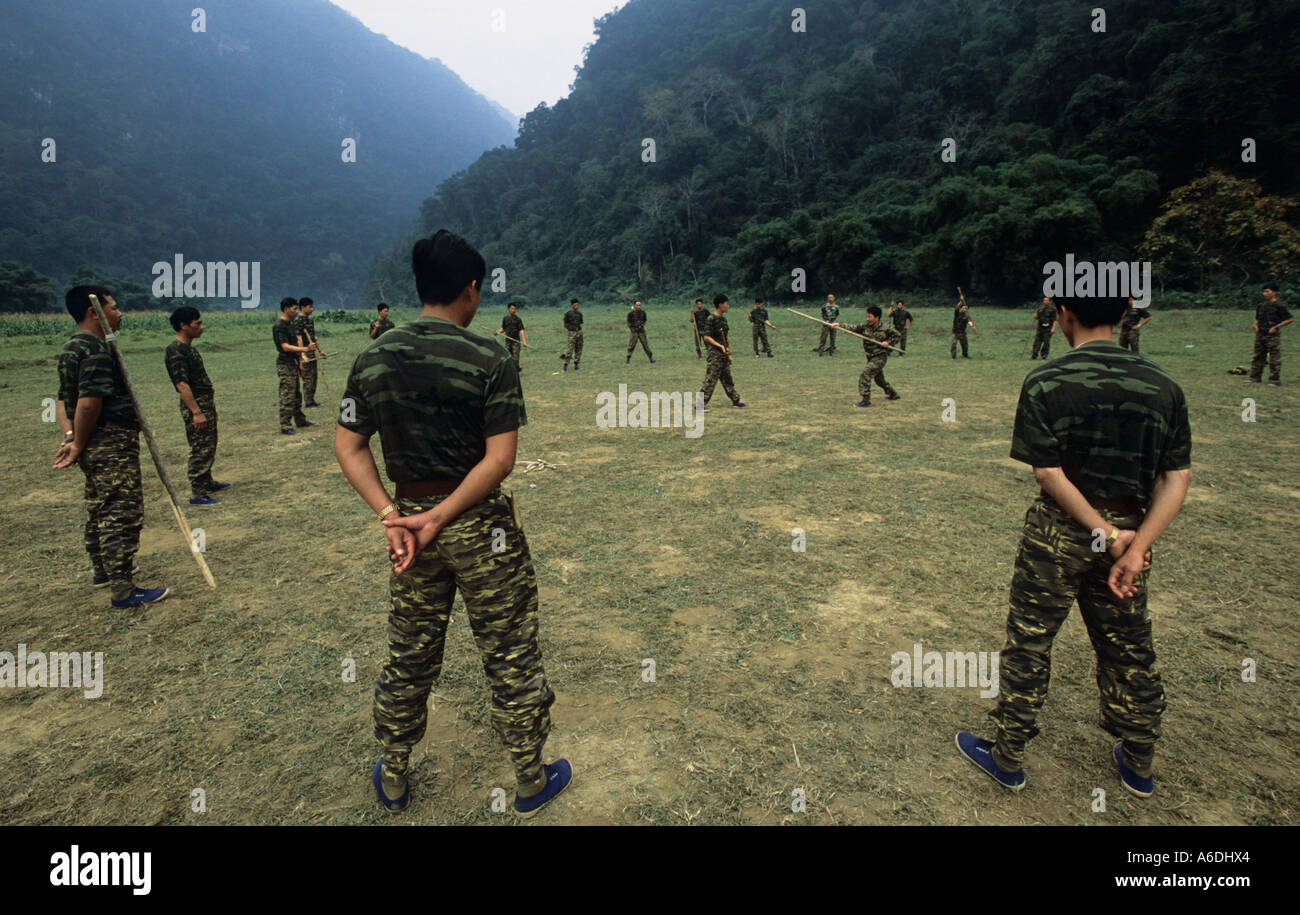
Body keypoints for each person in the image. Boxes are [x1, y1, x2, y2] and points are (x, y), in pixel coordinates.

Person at [335, 228, 569, 817]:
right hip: (478, 525)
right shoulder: (489, 357)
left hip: (412, 528)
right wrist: (444, 512)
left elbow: (350, 446)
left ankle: (392, 772)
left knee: (411, 649)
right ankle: (530, 779)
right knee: (509, 647)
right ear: (469, 289)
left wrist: (393, 515)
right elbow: (500, 459)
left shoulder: (375, 355)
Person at [956, 294, 1192, 799]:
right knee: (1128, 648)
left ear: (1064, 314)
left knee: (1030, 643)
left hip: (1058, 535)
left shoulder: (1047, 380)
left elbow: (1047, 472)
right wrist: (1131, 546)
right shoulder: (1164, 386)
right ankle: (1139, 761)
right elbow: (1177, 478)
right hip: (1132, 537)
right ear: (1124, 315)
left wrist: (1098, 531)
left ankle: (1008, 756)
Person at [53, 286, 169, 608]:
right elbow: (88, 405)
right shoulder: (94, 349)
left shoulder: (71, 347)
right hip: (110, 441)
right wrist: (77, 443)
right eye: (114, 308)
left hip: (93, 441)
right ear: (95, 312)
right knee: (121, 510)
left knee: (99, 505)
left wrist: (73, 438)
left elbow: (64, 402)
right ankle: (123, 588)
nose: (120, 314)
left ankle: (103, 570)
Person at [165, 306, 228, 505]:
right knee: (200, 445)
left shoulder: (188, 348)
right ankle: (198, 492)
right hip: (196, 403)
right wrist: (196, 411)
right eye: (197, 323)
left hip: (204, 401)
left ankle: (207, 480)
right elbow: (181, 384)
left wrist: (210, 409)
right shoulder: (175, 350)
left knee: (209, 443)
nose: (201, 327)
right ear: (183, 326)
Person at [836, 306, 901, 406]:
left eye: (870, 317)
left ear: (877, 317)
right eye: (867, 316)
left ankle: (865, 401)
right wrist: (838, 325)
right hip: (870, 357)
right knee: (879, 380)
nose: (867, 319)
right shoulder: (865, 327)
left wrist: (888, 343)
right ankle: (893, 394)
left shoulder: (886, 328)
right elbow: (852, 327)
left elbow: (898, 336)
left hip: (880, 357)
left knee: (865, 374)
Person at [274, 297, 316, 435]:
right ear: (286, 309)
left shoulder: (291, 324)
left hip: (293, 363)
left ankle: (300, 420)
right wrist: (305, 350)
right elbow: (285, 347)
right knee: (287, 394)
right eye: (294, 309)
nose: (296, 311)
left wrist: (300, 364)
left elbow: (295, 343)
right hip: (285, 364)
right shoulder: (279, 326)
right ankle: (285, 426)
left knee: (297, 394)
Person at [700, 294, 746, 408]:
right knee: (711, 379)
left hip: (724, 353)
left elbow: (726, 335)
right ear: (720, 305)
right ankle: (700, 404)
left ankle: (735, 400)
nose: (728, 306)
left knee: (727, 378)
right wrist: (720, 346)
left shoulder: (723, 319)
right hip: (715, 353)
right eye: (726, 303)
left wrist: (727, 349)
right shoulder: (711, 319)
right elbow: (706, 337)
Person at [1249, 283, 1293, 385]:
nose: (1265, 294)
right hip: (1260, 334)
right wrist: (1255, 325)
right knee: (1258, 356)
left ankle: (1274, 379)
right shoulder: (1261, 305)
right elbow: (1257, 318)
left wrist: (1276, 327)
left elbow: (1290, 319)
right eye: (1264, 291)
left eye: (1267, 291)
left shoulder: (1279, 306)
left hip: (1272, 335)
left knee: (1274, 357)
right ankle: (1255, 377)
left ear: (1275, 292)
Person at [294, 296, 322, 407]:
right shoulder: (298, 321)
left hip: (312, 350)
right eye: (310, 307)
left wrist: (320, 351)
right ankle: (308, 402)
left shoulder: (310, 321)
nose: (312, 309)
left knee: (314, 376)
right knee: (308, 377)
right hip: (304, 351)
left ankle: (312, 399)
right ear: (303, 308)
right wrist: (302, 354)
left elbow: (313, 337)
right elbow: (298, 338)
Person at [494, 302, 527, 371]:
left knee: (515, 358)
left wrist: (524, 341)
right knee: (508, 357)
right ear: (508, 309)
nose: (514, 310)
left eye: (515, 309)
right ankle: (510, 371)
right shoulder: (505, 318)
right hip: (508, 341)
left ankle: (516, 370)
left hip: (516, 341)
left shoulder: (518, 319)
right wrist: (497, 332)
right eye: (512, 309)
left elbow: (521, 330)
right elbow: (503, 328)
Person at [625, 300, 654, 364]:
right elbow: (628, 323)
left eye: (640, 305)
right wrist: (632, 329)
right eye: (637, 305)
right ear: (634, 305)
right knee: (631, 345)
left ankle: (651, 358)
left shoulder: (643, 313)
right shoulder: (630, 314)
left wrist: (641, 326)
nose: (639, 306)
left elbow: (644, 321)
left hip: (641, 331)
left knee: (645, 345)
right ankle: (628, 359)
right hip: (634, 332)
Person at [561, 299, 583, 371]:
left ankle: (576, 364)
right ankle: (565, 365)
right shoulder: (568, 314)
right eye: (575, 304)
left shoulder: (579, 314)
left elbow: (580, 323)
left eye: (578, 304)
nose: (577, 306)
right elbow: (565, 325)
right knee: (570, 349)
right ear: (572, 305)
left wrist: (578, 332)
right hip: (572, 333)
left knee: (579, 349)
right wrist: (571, 330)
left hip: (579, 332)